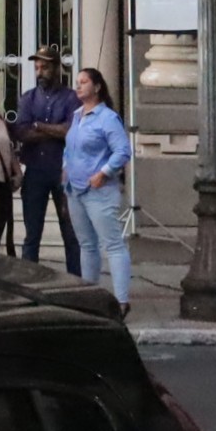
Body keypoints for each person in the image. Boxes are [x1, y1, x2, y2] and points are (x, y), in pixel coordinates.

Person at [64, 67, 133, 310]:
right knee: (86, 244)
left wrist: (104, 172)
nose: (78, 86)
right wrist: (65, 166)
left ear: (97, 87)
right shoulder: (77, 115)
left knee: (112, 243)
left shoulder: (107, 118)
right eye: (77, 82)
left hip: (99, 190)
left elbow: (123, 151)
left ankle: (122, 300)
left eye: (84, 82)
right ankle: (89, 295)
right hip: (75, 188)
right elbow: (70, 147)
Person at [10, 47, 82, 272]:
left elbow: (71, 131)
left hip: (64, 171)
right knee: (32, 234)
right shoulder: (28, 98)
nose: (41, 72)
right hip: (35, 171)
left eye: (46, 67)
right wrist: (55, 130)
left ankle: (76, 281)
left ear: (57, 68)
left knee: (70, 233)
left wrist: (39, 126)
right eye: (38, 68)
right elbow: (22, 132)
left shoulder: (71, 97)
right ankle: (30, 280)